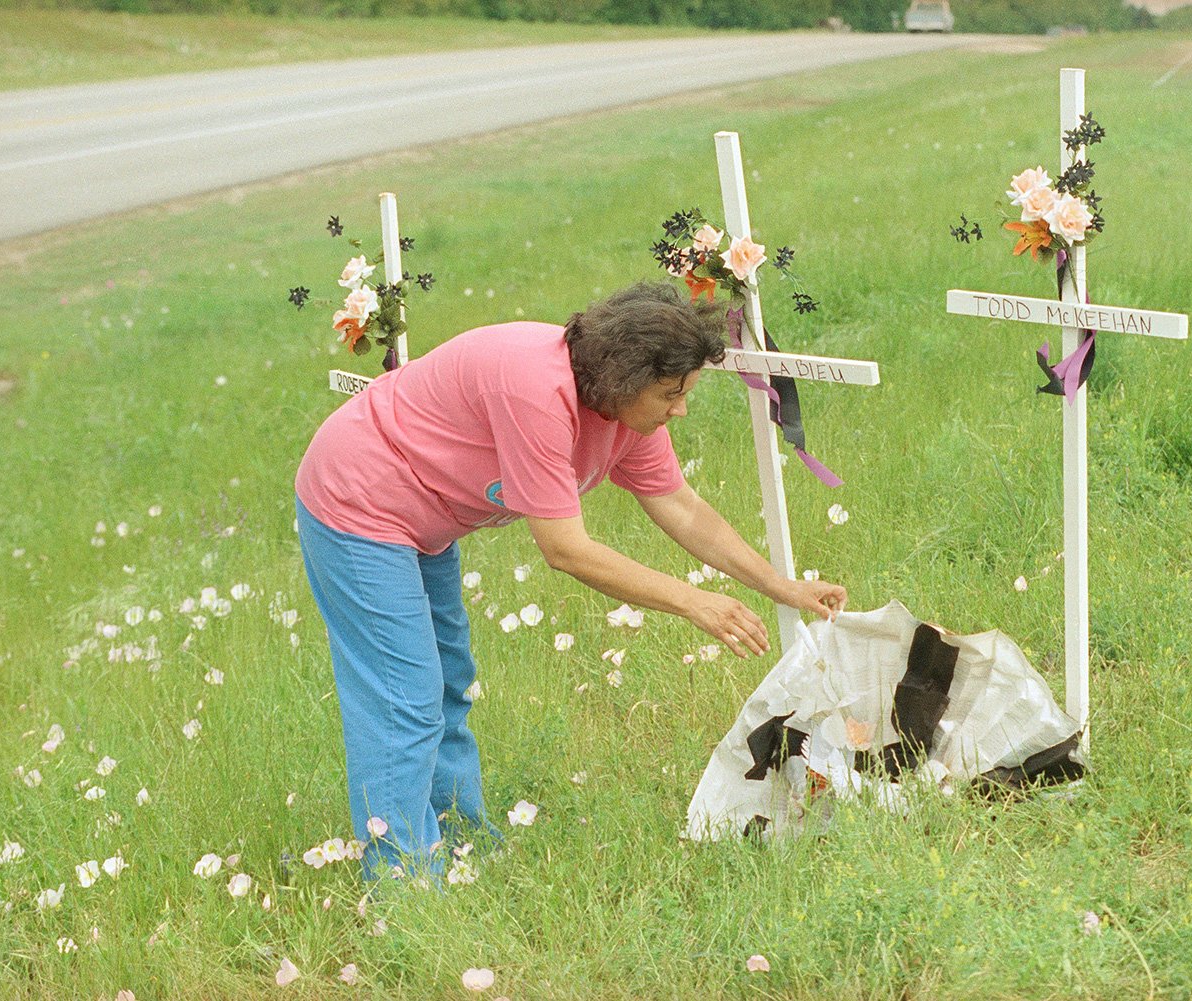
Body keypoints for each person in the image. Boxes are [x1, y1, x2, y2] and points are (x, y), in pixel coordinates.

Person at [294, 281, 847, 878]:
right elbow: (566, 550)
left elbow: (681, 508)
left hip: (424, 520)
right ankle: (402, 885)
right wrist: (693, 602)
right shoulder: (536, 390)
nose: (680, 409)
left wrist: (780, 586)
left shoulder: (624, 416)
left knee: (448, 685)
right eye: (671, 393)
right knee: (405, 700)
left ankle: (461, 843)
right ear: (622, 378)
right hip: (358, 502)